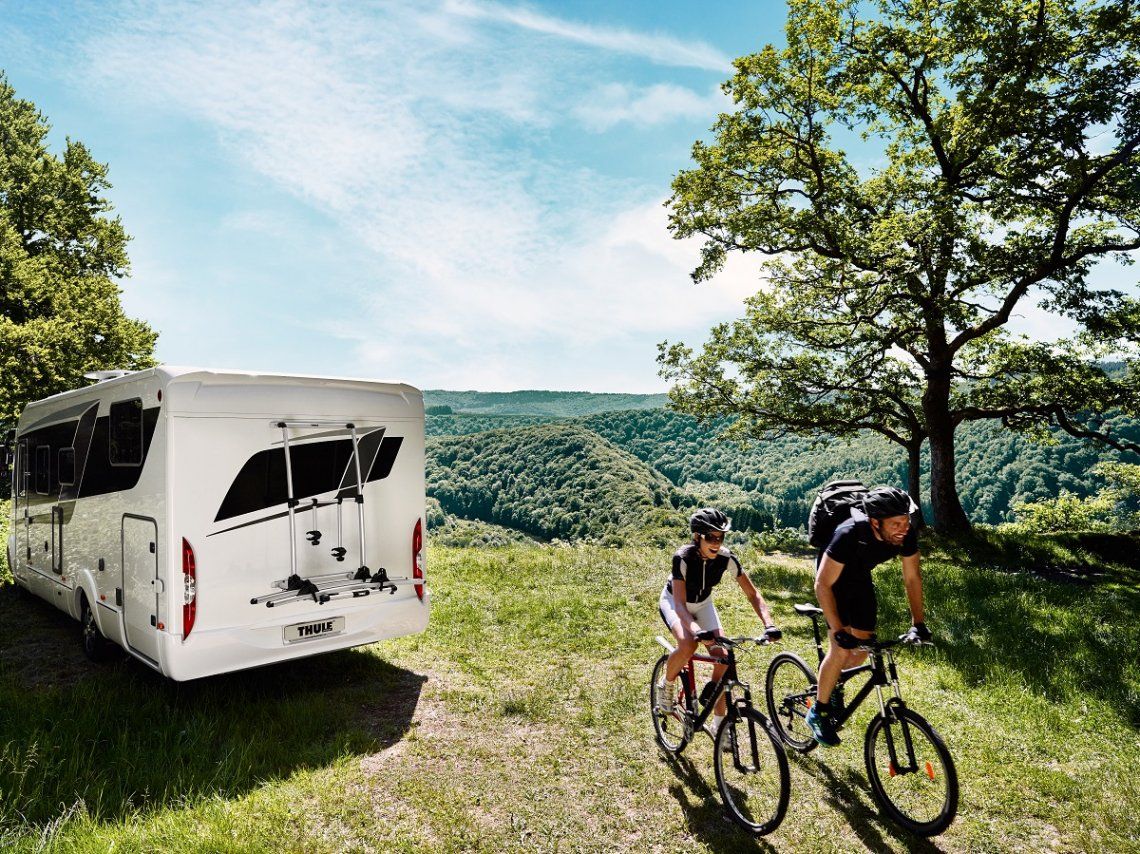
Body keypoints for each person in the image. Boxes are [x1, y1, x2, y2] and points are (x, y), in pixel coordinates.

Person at [805, 486, 931, 747]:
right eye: (896, 523)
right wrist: (838, 628)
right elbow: (822, 584)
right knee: (840, 650)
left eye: (906, 521)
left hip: (860, 577)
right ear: (875, 522)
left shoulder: (904, 535)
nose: (903, 528)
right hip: (833, 580)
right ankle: (817, 711)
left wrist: (918, 624)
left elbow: (912, 577)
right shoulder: (848, 534)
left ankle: (833, 682)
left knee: (862, 649)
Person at [656, 508, 782, 741]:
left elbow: (752, 594)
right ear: (697, 537)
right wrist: (695, 631)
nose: (717, 542)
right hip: (675, 602)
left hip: (703, 604)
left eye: (721, 537)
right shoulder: (682, 557)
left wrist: (769, 624)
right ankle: (666, 684)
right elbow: (681, 606)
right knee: (687, 646)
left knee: (723, 659)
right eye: (710, 537)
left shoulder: (727, 558)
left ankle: (718, 726)